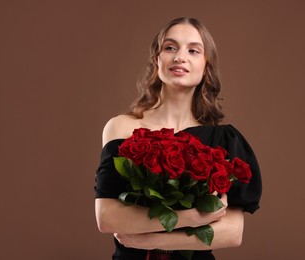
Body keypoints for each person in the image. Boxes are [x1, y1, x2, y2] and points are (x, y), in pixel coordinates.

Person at [94, 17, 262, 260]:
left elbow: (233, 233)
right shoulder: (121, 127)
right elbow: (107, 217)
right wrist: (190, 218)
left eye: (193, 50)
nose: (179, 57)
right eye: (170, 47)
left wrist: (154, 239)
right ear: (157, 59)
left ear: (206, 65)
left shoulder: (224, 140)